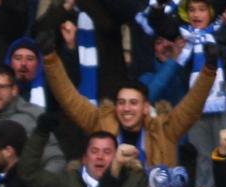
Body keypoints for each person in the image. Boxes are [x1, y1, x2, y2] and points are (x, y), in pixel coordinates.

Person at [39, 33, 216, 168]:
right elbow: (69, 99)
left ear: (146, 107)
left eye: (133, 103)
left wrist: (209, 70)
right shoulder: (101, 122)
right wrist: (50, 58)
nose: (126, 108)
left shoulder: (166, 129)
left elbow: (193, 104)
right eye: (121, 102)